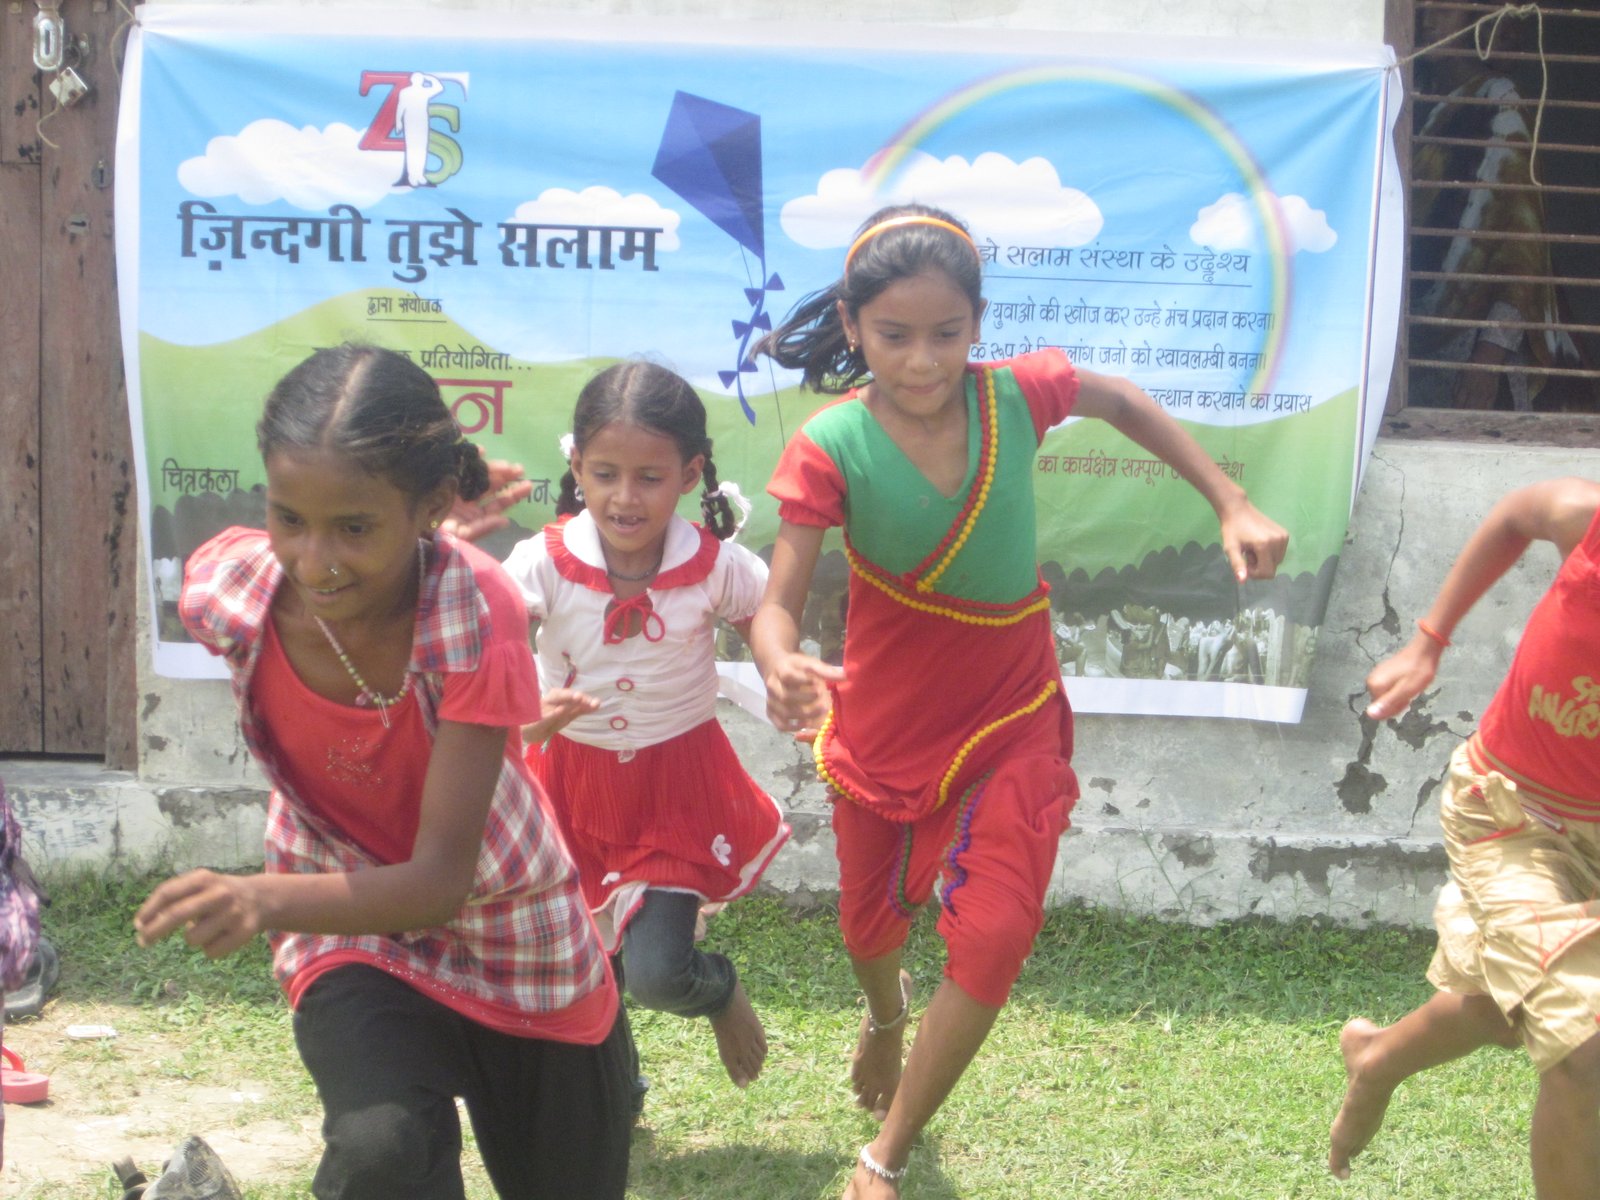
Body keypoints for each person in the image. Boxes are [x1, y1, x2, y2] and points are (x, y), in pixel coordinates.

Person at [749, 203, 1288, 1198]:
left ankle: (884, 1155)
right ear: (853, 325)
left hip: (1011, 712)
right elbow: (775, 606)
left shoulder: (1016, 396)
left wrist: (1230, 499)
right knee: (869, 930)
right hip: (886, 721)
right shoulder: (831, 444)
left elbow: (1121, 400)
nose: (922, 360)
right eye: (894, 335)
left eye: (946, 333)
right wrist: (780, 661)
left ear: (978, 323)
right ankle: (885, 1015)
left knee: (994, 934)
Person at [133, 345, 633, 1200]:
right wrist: (388, 539)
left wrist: (257, 897)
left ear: (429, 508)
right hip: (344, 916)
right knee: (381, 1151)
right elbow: (299, 547)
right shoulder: (232, 592)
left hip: (508, 919)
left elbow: (439, 882)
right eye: (289, 517)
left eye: (354, 528)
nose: (313, 560)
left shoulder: (474, 610)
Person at [498, 360, 790, 1091]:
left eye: (649, 478)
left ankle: (717, 989)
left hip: (675, 786)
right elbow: (492, 648)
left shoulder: (714, 566)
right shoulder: (542, 563)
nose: (625, 498)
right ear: (577, 467)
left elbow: (766, 614)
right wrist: (526, 717)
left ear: (689, 475)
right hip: (567, 785)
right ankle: (618, 1094)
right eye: (605, 474)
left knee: (657, 973)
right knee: (585, 967)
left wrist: (782, 670)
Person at [1329, 476, 1600, 1199]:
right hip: (1510, 815)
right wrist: (1428, 643)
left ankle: (1377, 1057)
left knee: (1503, 1011)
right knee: (1584, 1046)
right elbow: (1517, 515)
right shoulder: (1588, 520)